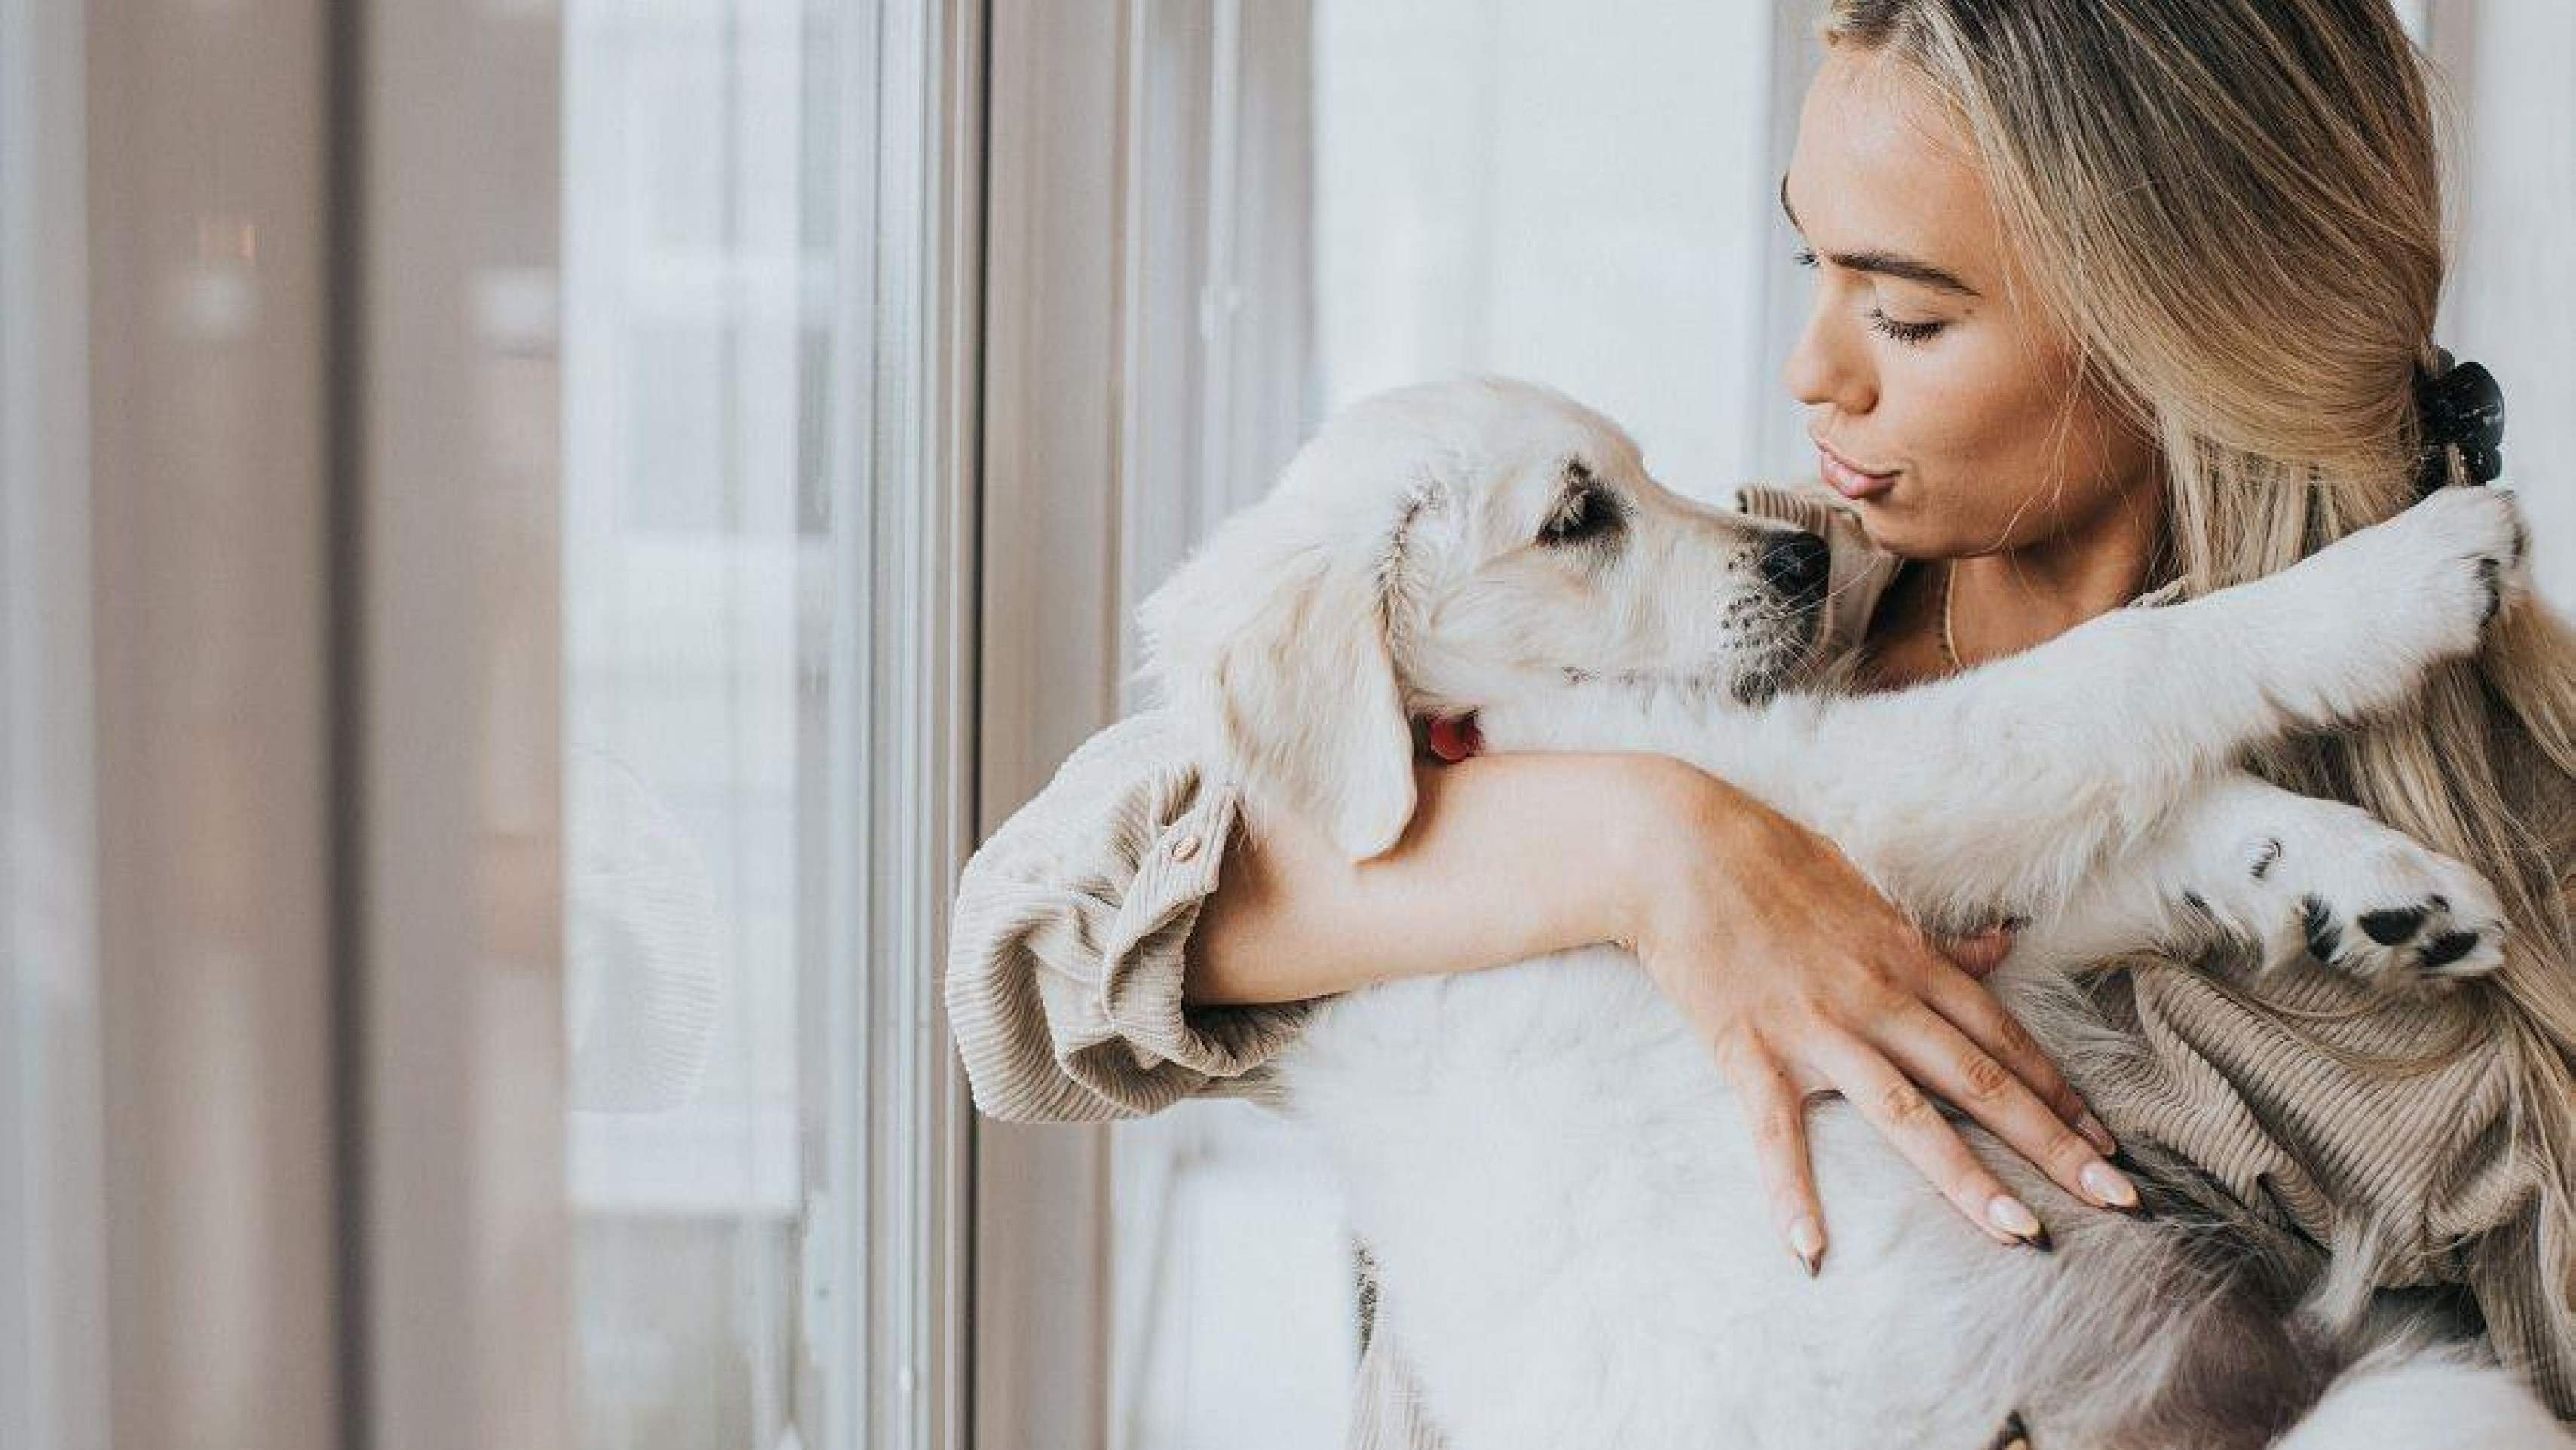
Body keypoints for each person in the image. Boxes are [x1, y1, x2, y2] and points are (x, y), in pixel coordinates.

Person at [947, 0, 2576, 1442]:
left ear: (2181, 329)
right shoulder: (1752, 623)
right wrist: (1653, 843)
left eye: (1906, 313)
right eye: (1814, 264)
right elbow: (1027, 957)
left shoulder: (2481, 868)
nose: (1811, 369)